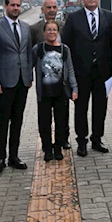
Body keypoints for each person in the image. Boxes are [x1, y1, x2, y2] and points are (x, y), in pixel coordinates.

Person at [62, 0, 112, 157]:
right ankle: (81, 141)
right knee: (81, 108)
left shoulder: (109, 17)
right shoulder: (73, 18)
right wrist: (69, 73)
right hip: (81, 72)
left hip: (103, 72)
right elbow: (66, 45)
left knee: (100, 107)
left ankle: (97, 139)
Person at [0, 0, 33, 173]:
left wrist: (29, 75)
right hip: (5, 82)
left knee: (18, 120)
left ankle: (13, 156)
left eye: (18, 5)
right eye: (13, 5)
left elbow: (28, 53)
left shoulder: (25, 27)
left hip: (22, 81)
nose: (16, 8)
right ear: (5, 6)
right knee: (3, 120)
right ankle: (0, 156)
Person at [32, 21, 78, 161]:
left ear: (58, 32)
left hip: (61, 92)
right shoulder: (38, 49)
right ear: (44, 32)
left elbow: (69, 69)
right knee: (44, 122)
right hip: (44, 93)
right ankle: (47, 149)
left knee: (61, 122)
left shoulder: (65, 49)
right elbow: (30, 65)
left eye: (54, 30)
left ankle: (58, 148)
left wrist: (74, 88)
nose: (51, 32)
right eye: (49, 30)